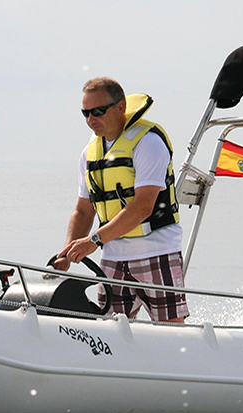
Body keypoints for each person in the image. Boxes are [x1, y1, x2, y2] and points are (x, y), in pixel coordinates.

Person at [54, 77, 188, 323]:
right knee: (109, 331)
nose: (91, 120)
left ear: (120, 107)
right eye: (85, 113)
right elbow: (83, 211)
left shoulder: (148, 142)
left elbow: (142, 207)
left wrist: (94, 240)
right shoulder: (89, 153)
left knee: (172, 332)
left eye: (98, 111)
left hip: (156, 253)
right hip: (113, 257)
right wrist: (67, 252)